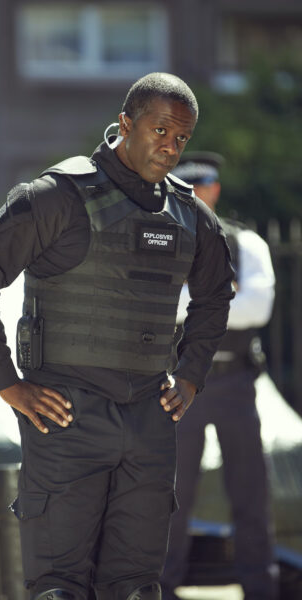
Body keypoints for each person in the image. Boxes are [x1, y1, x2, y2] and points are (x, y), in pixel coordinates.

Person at [0, 73, 234, 600]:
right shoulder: (56, 197)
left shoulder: (190, 215)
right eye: (160, 130)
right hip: (67, 416)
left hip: (149, 419)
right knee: (59, 589)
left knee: (136, 588)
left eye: (181, 138)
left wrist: (191, 375)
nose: (170, 148)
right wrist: (8, 383)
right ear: (126, 123)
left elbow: (216, 296)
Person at [160, 152, 278, 600]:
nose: (196, 194)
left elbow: (258, 309)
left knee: (251, 493)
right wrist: (224, 295)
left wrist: (191, 298)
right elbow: (157, 307)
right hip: (177, 385)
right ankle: (163, 587)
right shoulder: (161, 239)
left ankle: (260, 588)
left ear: (216, 189)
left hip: (235, 384)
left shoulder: (246, 243)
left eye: (202, 185)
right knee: (172, 494)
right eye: (185, 187)